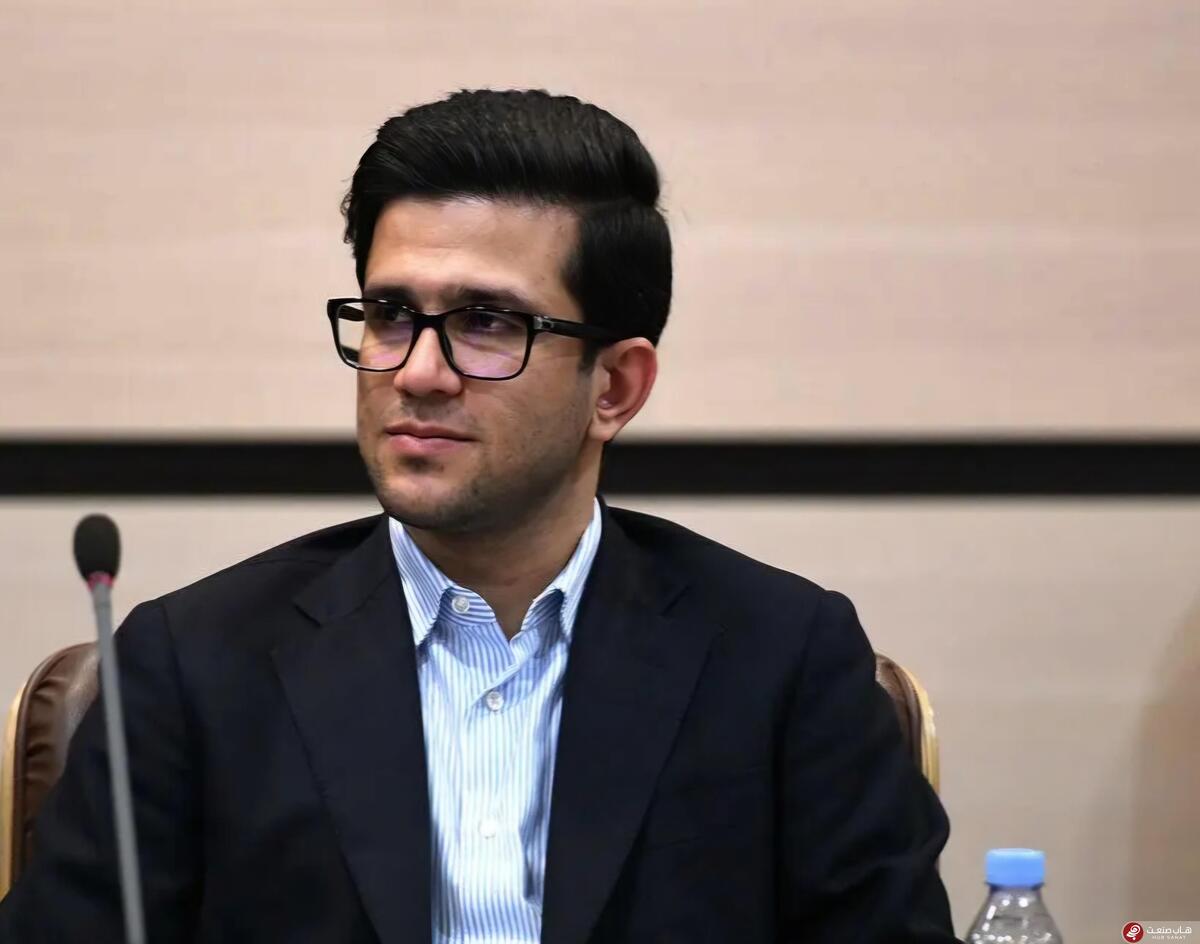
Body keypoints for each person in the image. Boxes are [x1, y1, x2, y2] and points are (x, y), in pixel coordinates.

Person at [0, 89, 959, 943]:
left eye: (488, 323)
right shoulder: (195, 665)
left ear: (615, 388)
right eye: (390, 313)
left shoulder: (781, 661)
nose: (418, 372)